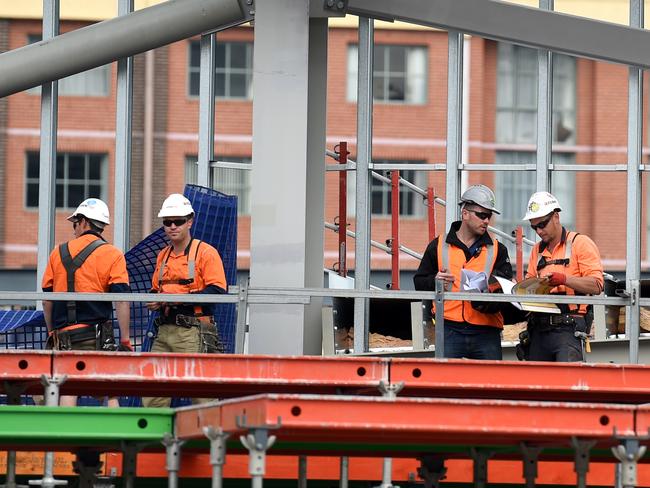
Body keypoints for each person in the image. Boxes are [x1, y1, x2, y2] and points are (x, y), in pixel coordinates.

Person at [41, 198, 132, 408]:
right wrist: (125, 340)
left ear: (83, 222)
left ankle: (64, 438)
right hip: (97, 335)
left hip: (64, 335)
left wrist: (51, 332)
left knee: (68, 387)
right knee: (108, 388)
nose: (73, 229)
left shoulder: (58, 252)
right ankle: (114, 437)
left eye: (75, 223)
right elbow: (122, 300)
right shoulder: (112, 254)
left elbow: (47, 300)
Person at [143, 193, 227, 408]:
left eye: (178, 221)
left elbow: (217, 291)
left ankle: (208, 439)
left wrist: (176, 300)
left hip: (193, 331)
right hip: (164, 330)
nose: (172, 226)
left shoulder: (206, 253)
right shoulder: (163, 255)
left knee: (201, 392)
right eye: (167, 222)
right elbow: (156, 289)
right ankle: (155, 440)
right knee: (153, 392)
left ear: (190, 221)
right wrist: (155, 300)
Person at [413, 184, 513, 359]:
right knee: (446, 384)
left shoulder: (498, 250)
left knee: (489, 385)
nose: (487, 221)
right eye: (482, 215)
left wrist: (489, 292)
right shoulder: (438, 246)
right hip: (449, 329)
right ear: (465, 213)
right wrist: (435, 281)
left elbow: (506, 290)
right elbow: (419, 281)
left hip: (486, 331)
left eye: (489, 216)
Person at [521, 191, 603, 362]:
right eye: (534, 226)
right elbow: (528, 287)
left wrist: (564, 280)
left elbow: (596, 285)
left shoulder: (580, 243)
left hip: (569, 328)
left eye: (542, 224)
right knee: (536, 387)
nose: (539, 230)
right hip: (539, 330)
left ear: (556, 217)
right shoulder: (537, 250)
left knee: (567, 384)